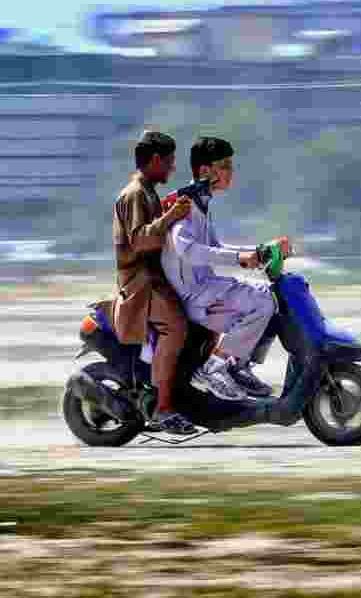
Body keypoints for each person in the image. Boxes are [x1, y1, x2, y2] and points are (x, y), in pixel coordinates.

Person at [161, 136, 290, 400]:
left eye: (231, 166)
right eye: (225, 166)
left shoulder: (202, 203)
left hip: (207, 289)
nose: (231, 172)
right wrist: (240, 258)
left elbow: (216, 246)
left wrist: (255, 252)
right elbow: (186, 250)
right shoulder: (185, 205)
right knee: (263, 301)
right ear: (205, 171)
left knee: (274, 300)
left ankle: (236, 367)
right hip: (194, 295)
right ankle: (213, 368)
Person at [111, 130, 196, 435]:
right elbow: (139, 241)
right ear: (156, 160)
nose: (172, 168)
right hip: (141, 282)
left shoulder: (147, 192)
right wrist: (171, 215)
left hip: (155, 276)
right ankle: (162, 409)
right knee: (176, 326)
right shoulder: (135, 193)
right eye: (170, 161)